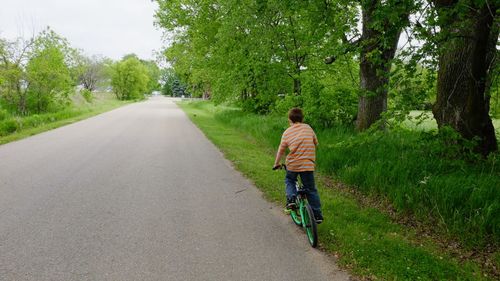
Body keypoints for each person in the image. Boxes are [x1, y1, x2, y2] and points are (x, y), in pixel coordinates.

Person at [273, 108, 323, 224]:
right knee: (311, 189)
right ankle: (317, 215)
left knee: (290, 180)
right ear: (302, 118)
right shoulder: (308, 128)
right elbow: (316, 143)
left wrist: (276, 164)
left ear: (289, 120)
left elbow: (281, 150)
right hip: (308, 164)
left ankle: (291, 199)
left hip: (293, 164)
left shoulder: (287, 132)